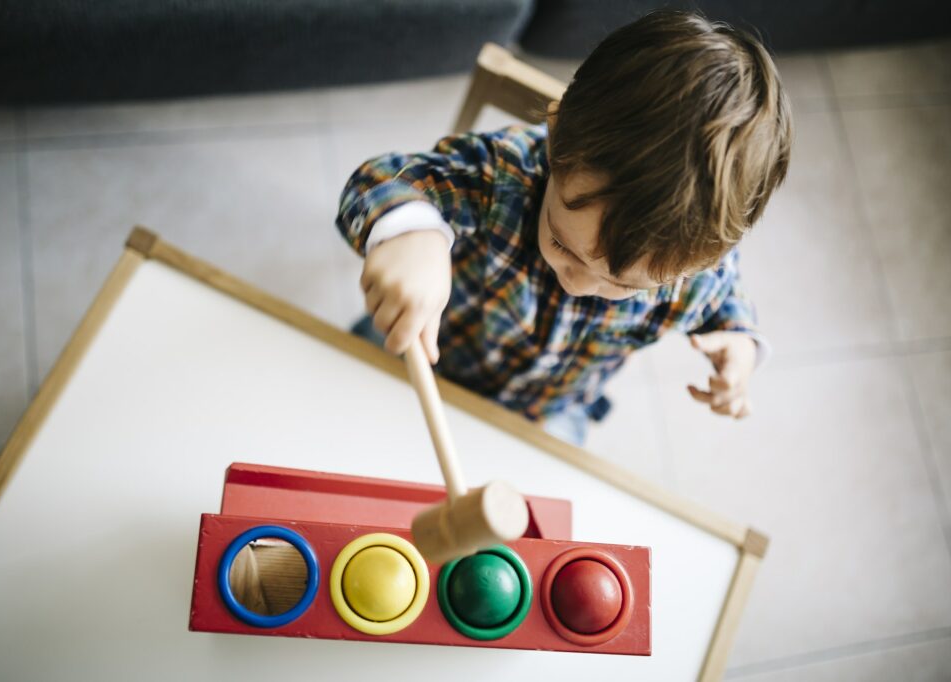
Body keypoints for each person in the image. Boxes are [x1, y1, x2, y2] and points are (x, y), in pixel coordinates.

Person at [336, 10, 792, 446]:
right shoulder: (504, 175)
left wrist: (739, 341)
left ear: (695, 265)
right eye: (562, 243)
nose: (577, 284)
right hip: (421, 346)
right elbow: (378, 183)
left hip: (546, 408)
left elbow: (723, 298)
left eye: (620, 284)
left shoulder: (691, 270)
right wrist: (414, 233)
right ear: (556, 137)